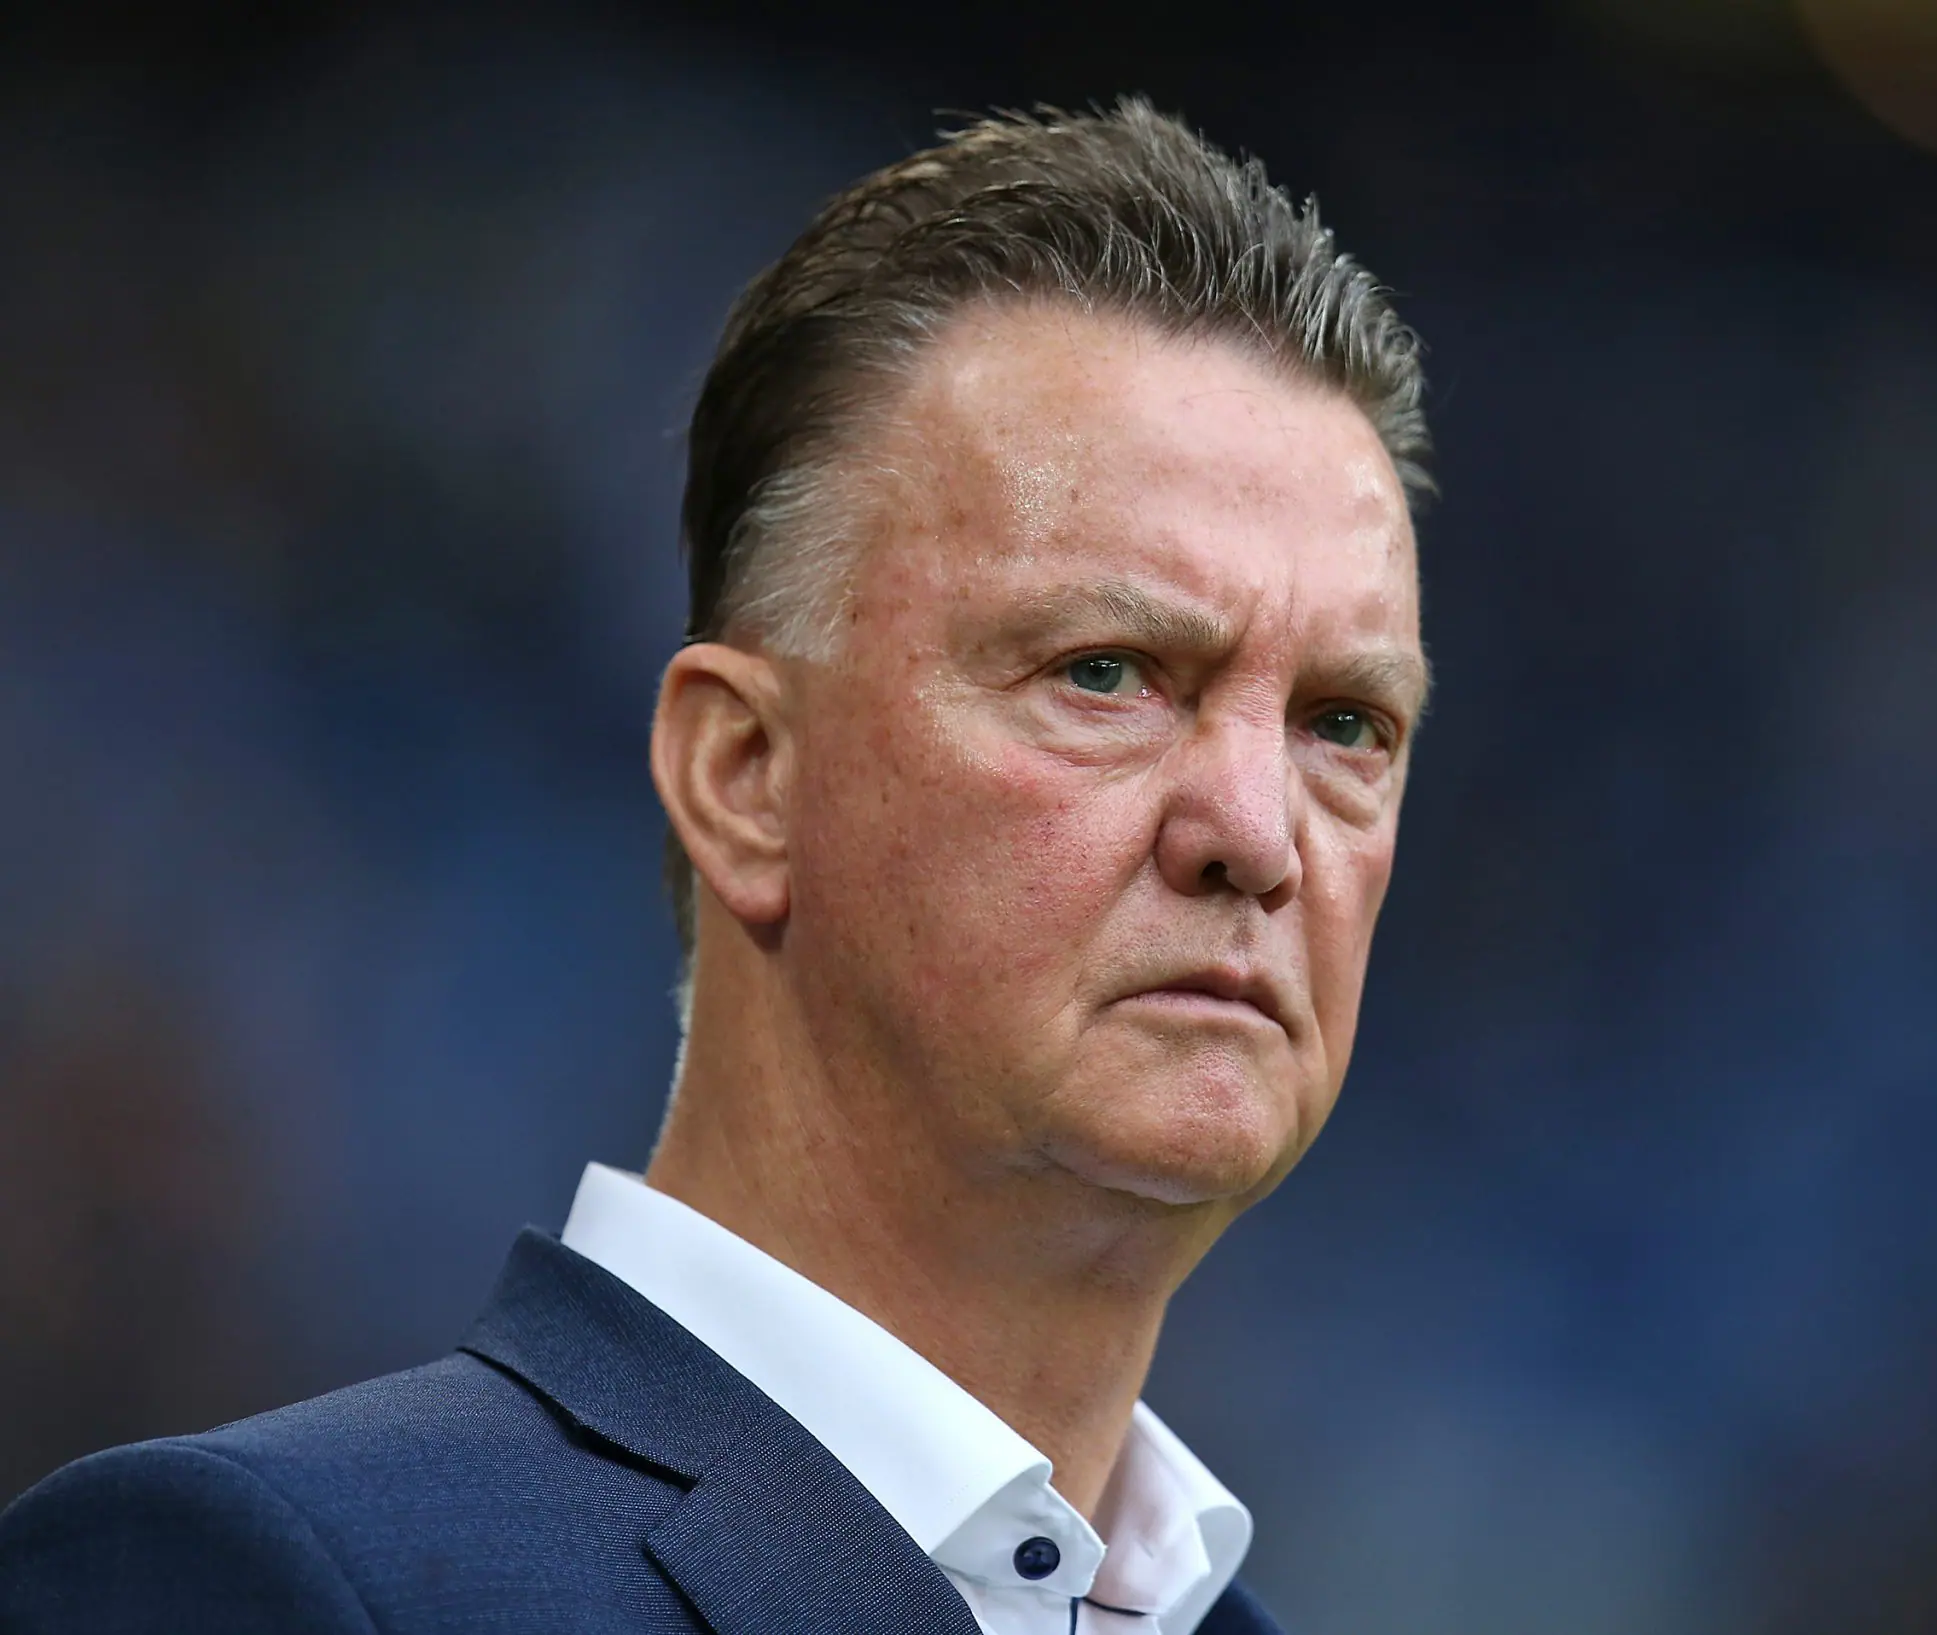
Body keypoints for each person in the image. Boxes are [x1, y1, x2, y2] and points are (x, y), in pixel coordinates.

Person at [0, 99, 1432, 1635]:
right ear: (746, 775)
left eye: (1344, 722)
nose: (1258, 831)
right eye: (1105, 672)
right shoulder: (264, 1579)